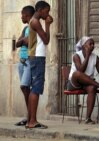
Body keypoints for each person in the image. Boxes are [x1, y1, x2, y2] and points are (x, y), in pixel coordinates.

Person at [67, 36, 99, 124]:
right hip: (74, 83)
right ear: (84, 46)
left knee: (92, 88)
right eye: (90, 44)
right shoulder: (76, 56)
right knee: (77, 73)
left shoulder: (96, 57)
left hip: (86, 83)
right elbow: (81, 70)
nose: (92, 46)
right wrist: (87, 56)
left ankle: (88, 118)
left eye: (93, 44)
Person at [26, 1, 53, 129]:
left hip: (35, 57)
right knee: (36, 89)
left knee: (34, 88)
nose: (48, 14)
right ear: (41, 10)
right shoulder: (36, 22)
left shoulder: (34, 21)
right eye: (47, 11)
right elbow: (46, 40)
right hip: (37, 57)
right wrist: (48, 25)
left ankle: (31, 120)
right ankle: (32, 121)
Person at [14, 5, 35, 126]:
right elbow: (18, 43)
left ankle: (30, 115)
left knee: (24, 86)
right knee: (25, 88)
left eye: (22, 14)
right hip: (21, 62)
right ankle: (29, 115)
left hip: (29, 61)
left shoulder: (33, 27)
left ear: (27, 15)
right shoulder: (26, 28)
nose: (21, 16)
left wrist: (24, 41)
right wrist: (23, 40)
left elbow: (29, 42)